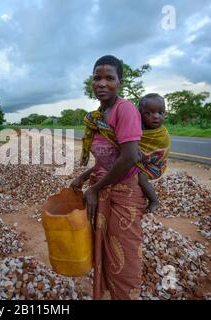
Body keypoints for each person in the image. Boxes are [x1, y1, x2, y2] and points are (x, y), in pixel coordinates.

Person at [71, 55, 146, 300]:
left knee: (124, 257)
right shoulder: (98, 115)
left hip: (123, 193)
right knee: (104, 251)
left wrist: (93, 190)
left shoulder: (125, 110)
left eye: (109, 78)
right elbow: (106, 159)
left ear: (120, 83)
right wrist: (85, 176)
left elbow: (128, 158)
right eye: (97, 78)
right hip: (104, 188)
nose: (101, 83)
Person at [136, 93, 169, 212]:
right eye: (149, 113)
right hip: (142, 161)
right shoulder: (138, 127)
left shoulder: (161, 134)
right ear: (140, 114)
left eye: (160, 112)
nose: (156, 116)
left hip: (155, 165)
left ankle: (154, 201)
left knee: (140, 177)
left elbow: (155, 153)